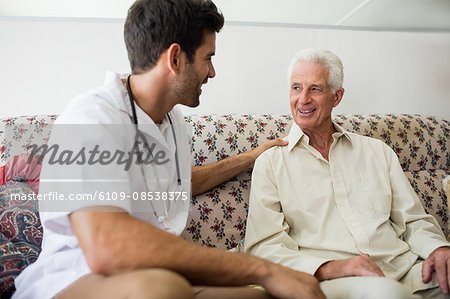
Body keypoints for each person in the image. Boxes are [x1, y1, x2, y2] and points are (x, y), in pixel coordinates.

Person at [12, 1, 326, 299]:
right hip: (74, 279)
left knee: (276, 296)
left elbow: (180, 183)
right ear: (175, 59)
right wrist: (261, 269)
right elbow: (107, 248)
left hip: (158, 276)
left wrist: (251, 157)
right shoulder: (92, 118)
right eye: (208, 57)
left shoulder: (172, 119)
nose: (212, 72)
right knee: (164, 288)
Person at [244, 48, 450, 299]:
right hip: (336, 280)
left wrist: (438, 248)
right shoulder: (271, 163)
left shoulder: (378, 152)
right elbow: (263, 246)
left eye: (315, 89)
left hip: (406, 270)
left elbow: (413, 220)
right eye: (296, 88)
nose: (303, 99)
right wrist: (333, 268)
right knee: (385, 294)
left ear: (337, 96)